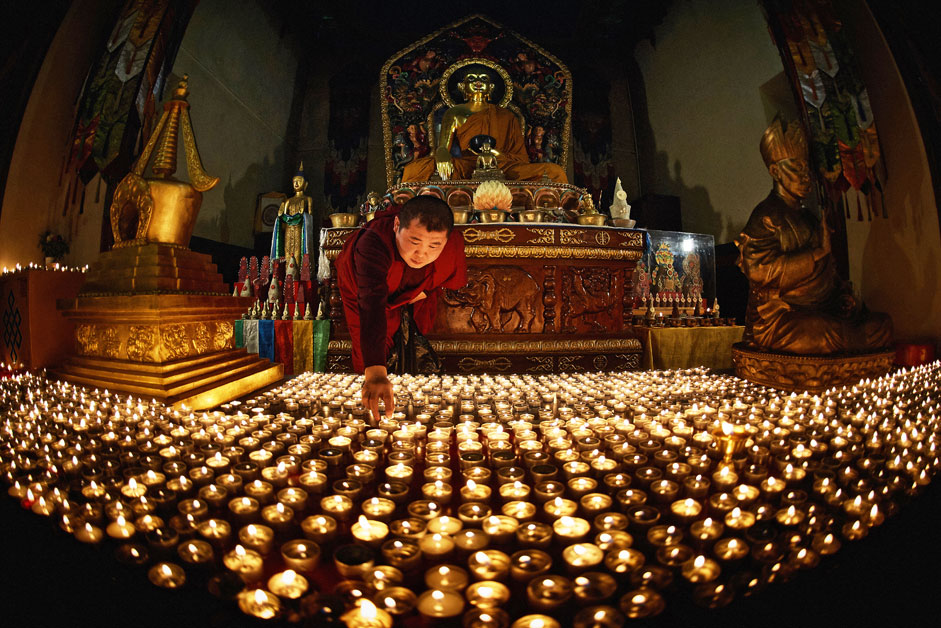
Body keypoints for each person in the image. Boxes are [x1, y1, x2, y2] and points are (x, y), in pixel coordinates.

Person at [735, 117, 891, 354]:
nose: (806, 175)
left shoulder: (809, 218)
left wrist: (841, 294)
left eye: (806, 167)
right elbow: (759, 271)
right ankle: (851, 341)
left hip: (823, 308)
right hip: (783, 315)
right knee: (821, 332)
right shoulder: (765, 215)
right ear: (775, 171)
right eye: (796, 168)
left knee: (881, 324)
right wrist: (815, 254)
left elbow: (828, 272)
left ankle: (851, 338)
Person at [336, 195, 467, 420]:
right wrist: (375, 371)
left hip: (410, 296)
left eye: (434, 246)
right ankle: (374, 411)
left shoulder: (452, 243)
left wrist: (424, 291)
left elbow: (452, 275)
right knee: (371, 356)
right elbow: (371, 302)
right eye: (414, 242)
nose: (422, 254)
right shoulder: (373, 242)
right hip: (364, 295)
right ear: (397, 225)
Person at [400, 69, 567, 183]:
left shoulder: (506, 115)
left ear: (491, 88)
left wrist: (491, 152)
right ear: (462, 87)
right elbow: (442, 147)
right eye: (471, 79)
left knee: (554, 171)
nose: (478, 82)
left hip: (504, 166)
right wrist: (442, 156)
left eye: (483, 79)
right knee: (414, 170)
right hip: (469, 165)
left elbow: (520, 157)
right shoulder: (455, 112)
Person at [270, 163, 317, 266]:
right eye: (294, 181)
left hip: (300, 230)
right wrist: (280, 215)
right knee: (287, 250)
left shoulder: (307, 199)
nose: (296, 183)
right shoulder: (288, 201)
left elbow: (311, 218)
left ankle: (299, 273)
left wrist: (303, 215)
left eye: (299, 181)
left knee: (298, 251)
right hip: (288, 230)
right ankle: (287, 273)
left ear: (305, 184)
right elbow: (283, 217)